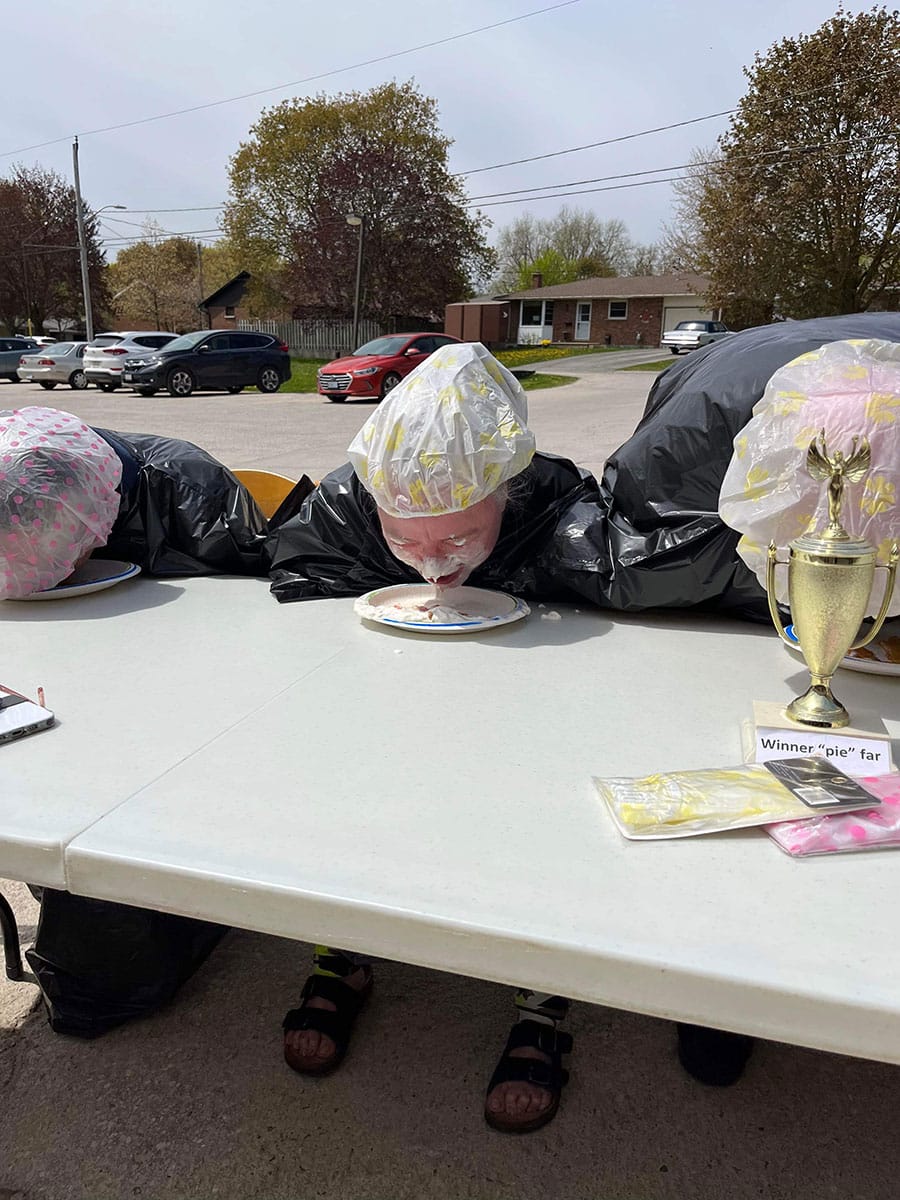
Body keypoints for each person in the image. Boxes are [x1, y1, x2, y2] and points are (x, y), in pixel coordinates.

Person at [0, 405, 293, 599]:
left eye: (63, 550)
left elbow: (260, 569)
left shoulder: (193, 495)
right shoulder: (31, 488)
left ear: (90, 510)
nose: (64, 572)